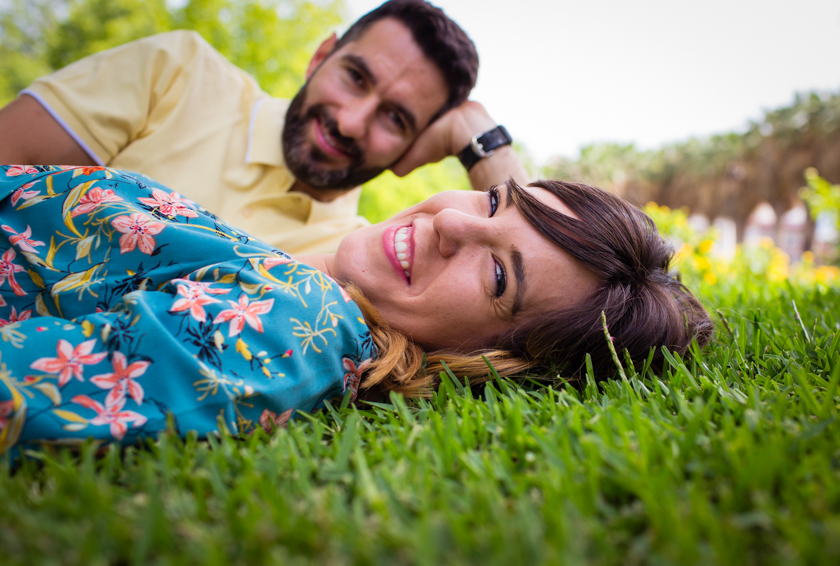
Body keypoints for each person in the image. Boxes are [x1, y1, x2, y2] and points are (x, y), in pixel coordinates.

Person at [0, 164, 712, 458]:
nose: (454, 224)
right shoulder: (302, 276)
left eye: (498, 273)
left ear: (500, 354)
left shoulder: (297, 326)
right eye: (497, 202)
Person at [0, 0, 528, 256]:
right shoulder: (176, 72)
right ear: (322, 56)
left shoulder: (356, 255)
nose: (349, 121)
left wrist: (480, 137)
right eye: (354, 76)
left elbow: (537, 264)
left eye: (396, 119)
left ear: (416, 147)